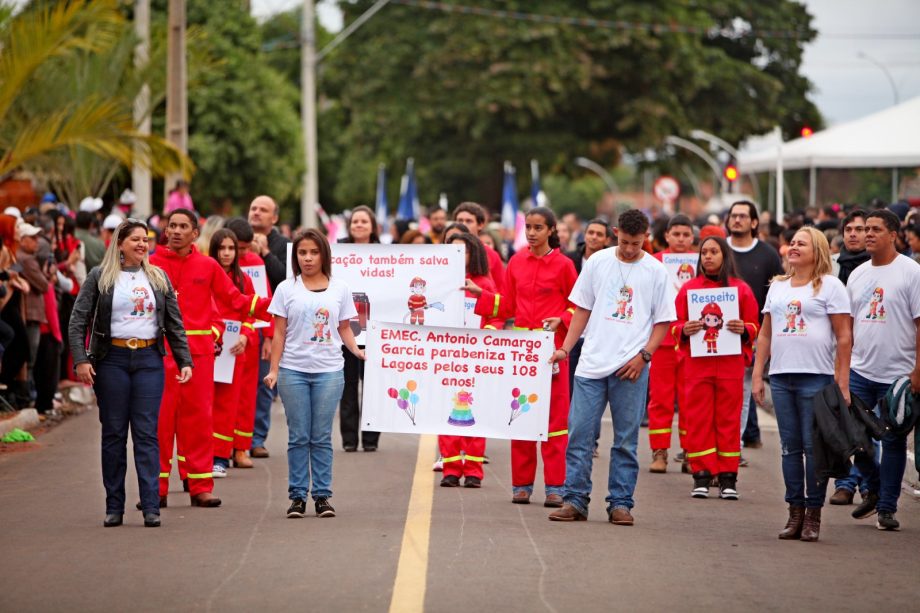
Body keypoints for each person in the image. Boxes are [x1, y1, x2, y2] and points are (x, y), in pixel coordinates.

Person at [548, 209, 673, 524]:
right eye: (626, 242)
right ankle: (575, 500)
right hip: (591, 364)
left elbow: (663, 322)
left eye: (637, 243)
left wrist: (644, 356)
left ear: (646, 237)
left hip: (630, 368)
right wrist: (566, 348)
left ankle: (620, 503)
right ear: (616, 233)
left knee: (625, 441)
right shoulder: (597, 262)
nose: (631, 249)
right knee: (579, 434)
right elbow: (582, 310)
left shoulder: (656, 271)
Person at [69, 219, 192, 528]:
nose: (142, 244)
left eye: (145, 240)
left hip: (150, 360)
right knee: (113, 433)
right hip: (112, 361)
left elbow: (174, 323)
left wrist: (184, 360)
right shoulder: (101, 277)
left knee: (147, 433)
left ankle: (151, 506)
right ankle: (114, 506)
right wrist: (82, 360)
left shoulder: (158, 277)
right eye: (135, 239)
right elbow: (77, 321)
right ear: (120, 244)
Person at [150, 209, 270, 508]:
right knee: (159, 422)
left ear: (195, 233)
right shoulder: (149, 264)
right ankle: (156, 487)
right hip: (159, 351)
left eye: (183, 227)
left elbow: (237, 300)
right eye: (172, 226)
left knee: (200, 420)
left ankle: (201, 485)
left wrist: (283, 304)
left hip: (200, 355)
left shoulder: (208, 266)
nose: (176, 231)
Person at [466, 207, 577, 506]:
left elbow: (578, 307)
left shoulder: (565, 266)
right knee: (521, 415)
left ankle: (556, 486)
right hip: (522, 353)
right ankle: (522, 485)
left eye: (538, 227)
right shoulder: (515, 262)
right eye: (528, 226)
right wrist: (480, 295)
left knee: (555, 422)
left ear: (551, 230)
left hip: (553, 351)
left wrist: (561, 319)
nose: (531, 232)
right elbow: (507, 305)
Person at [752, 227, 851, 541]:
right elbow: (765, 334)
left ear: (817, 250)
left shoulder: (831, 287)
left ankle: (813, 514)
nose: (793, 247)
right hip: (781, 378)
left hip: (817, 379)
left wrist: (842, 380)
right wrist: (757, 374)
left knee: (813, 449)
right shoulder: (778, 287)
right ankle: (794, 512)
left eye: (801, 244)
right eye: (791, 243)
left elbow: (844, 336)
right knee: (789, 449)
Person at [263, 229, 365, 519]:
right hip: (292, 371)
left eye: (313, 252)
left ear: (324, 255)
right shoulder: (286, 288)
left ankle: (322, 496)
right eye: (302, 253)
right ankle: (297, 497)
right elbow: (279, 332)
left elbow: (345, 327)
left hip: (329, 372)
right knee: (298, 436)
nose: (308, 258)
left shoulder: (340, 288)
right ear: (295, 257)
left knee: (320, 436)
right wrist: (273, 370)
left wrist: (357, 351)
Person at [845, 209, 920, 531]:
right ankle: (873, 487)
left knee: (892, 442)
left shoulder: (911, 272)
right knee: (853, 437)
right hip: (860, 370)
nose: (868, 234)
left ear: (893, 235)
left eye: (876, 229)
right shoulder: (858, 274)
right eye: (866, 229)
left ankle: (886, 507)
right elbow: (847, 326)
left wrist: (917, 372)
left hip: (898, 375)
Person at [674, 236, 759, 500]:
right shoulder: (688, 289)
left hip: (729, 366)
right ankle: (701, 474)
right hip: (697, 367)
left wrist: (744, 329)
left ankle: (727, 477)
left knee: (728, 421)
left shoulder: (741, 289)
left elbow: (755, 325)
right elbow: (674, 324)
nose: (707, 256)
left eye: (713, 252)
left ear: (724, 256)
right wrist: (684, 330)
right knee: (699, 420)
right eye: (704, 252)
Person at [439, 232, 503, 488]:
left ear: (472, 254)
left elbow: (497, 316)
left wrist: (489, 333)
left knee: (475, 412)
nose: (457, 257)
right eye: (452, 251)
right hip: (446, 358)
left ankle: (474, 469)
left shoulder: (483, 283)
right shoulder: (439, 283)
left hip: (476, 359)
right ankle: (451, 468)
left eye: (462, 251)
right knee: (446, 413)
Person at [725, 201, 784, 454]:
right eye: (733, 215)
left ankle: (732, 449)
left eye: (742, 216)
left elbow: (777, 296)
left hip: (751, 338)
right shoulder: (717, 249)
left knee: (741, 397)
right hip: (714, 337)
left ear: (754, 222)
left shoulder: (768, 254)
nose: (737, 220)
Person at [827, 208, 872, 505]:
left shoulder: (875, 269)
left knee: (868, 425)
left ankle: (868, 483)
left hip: (867, 356)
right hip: (831, 354)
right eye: (849, 229)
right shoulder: (830, 268)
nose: (854, 234)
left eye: (860, 229)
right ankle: (844, 482)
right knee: (840, 422)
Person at [208, 229, 260, 478]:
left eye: (231, 248)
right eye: (222, 248)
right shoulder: (205, 274)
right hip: (207, 346)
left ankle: (222, 456)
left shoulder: (243, 280)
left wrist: (244, 336)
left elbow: (251, 315)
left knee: (229, 404)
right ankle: (205, 456)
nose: (227, 253)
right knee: (204, 404)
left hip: (233, 349)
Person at [647, 214, 695, 473]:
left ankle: (690, 450)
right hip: (663, 340)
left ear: (692, 237)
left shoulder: (703, 262)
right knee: (660, 398)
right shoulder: (653, 263)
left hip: (692, 341)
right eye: (676, 234)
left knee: (690, 399)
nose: (680, 239)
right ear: (666, 236)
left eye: (686, 234)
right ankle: (660, 451)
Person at [247, 195, 290, 459]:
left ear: (274, 218)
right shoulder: (235, 237)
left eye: (263, 210)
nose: (257, 213)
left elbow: (285, 279)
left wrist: (264, 254)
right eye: (253, 208)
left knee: (264, 383)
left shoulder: (283, 244)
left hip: (271, 324)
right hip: (238, 323)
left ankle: (256, 438)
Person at [337, 205, 381, 452]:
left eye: (364, 221)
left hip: (375, 331)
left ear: (373, 226)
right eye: (355, 221)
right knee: (348, 385)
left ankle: (371, 440)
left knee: (373, 387)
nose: (359, 225)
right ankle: (350, 440)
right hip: (346, 329)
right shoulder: (337, 252)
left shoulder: (386, 254)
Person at [564, 218, 611, 401]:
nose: (594, 237)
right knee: (569, 389)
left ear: (607, 240)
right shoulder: (569, 260)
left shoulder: (612, 264)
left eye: (599, 234)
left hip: (598, 335)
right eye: (590, 232)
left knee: (593, 393)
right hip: (573, 332)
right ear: (584, 235)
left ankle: (593, 430)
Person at [454, 202, 505, 292]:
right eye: (459, 220)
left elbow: (501, 290)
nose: (463, 224)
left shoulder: (491, 255)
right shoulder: (445, 251)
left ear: (480, 225)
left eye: (469, 221)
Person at [832, 209, 870, 284]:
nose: (852, 234)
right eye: (848, 230)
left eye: (859, 229)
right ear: (843, 235)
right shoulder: (829, 264)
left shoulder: (878, 264)